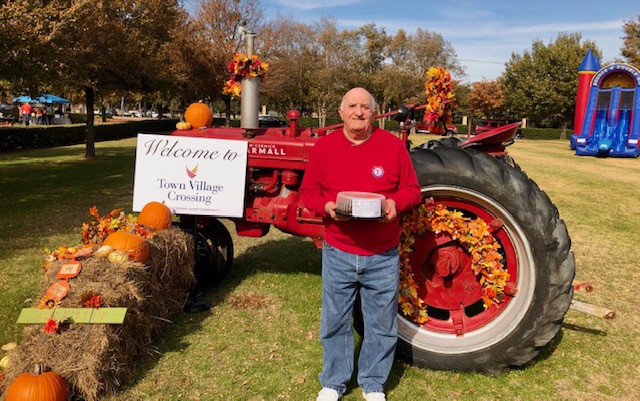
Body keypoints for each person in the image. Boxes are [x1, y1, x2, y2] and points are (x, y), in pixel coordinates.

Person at [300, 87, 422, 401]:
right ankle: (333, 382)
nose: (358, 112)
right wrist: (327, 207)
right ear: (341, 112)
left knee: (380, 323)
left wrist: (395, 204)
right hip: (338, 250)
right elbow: (308, 193)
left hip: (382, 254)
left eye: (365, 107)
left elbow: (412, 190)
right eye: (352, 106)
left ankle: (373, 384)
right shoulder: (324, 148)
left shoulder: (392, 147)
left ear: (373, 112)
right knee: (335, 319)